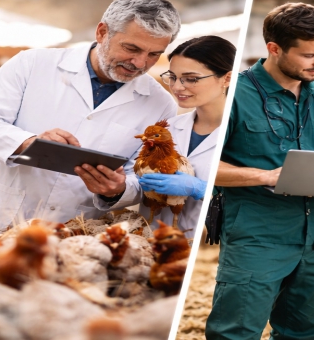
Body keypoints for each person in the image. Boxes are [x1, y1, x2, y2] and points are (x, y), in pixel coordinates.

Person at [201, 3, 314, 340]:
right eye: (310, 55)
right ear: (274, 48)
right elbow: (202, 166)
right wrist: (266, 176)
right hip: (257, 233)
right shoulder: (230, 94)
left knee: (301, 337)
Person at [0, 0, 180, 237]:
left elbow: (145, 179)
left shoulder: (161, 105)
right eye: (131, 48)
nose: (139, 63)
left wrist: (118, 189)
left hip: (78, 234)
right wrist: (29, 143)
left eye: (154, 54)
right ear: (102, 32)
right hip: (4, 220)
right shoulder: (32, 64)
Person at [96, 35, 236, 239]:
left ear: (227, 78)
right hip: (153, 241)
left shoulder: (241, 131)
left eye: (191, 78)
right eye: (173, 77)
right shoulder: (168, 128)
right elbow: (142, 181)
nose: (177, 87)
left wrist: (203, 190)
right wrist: (118, 187)